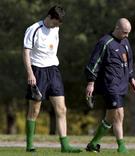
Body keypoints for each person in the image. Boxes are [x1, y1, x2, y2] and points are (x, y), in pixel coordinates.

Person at [23, 5, 82, 153]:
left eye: (58, 24)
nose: (56, 26)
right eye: (55, 23)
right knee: (35, 109)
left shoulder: (56, 28)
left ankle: (65, 146)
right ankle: (30, 144)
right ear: (49, 17)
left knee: (62, 109)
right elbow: (25, 53)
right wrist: (30, 73)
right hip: (37, 71)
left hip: (53, 71)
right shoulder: (33, 29)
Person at [85, 18, 135, 153]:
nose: (127, 36)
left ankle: (93, 143)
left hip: (122, 84)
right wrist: (91, 83)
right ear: (117, 28)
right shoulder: (105, 42)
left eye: (128, 33)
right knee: (118, 113)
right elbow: (93, 63)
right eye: (125, 32)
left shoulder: (125, 42)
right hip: (110, 84)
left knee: (113, 116)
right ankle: (121, 146)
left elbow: (129, 62)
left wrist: (131, 79)